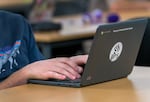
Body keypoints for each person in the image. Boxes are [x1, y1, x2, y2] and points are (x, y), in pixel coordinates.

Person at [0, 11, 88, 90]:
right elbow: (29, 71)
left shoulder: (17, 22)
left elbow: (37, 69)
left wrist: (66, 65)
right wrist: (22, 75)